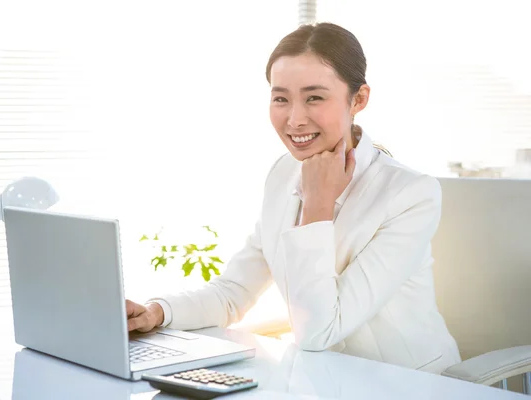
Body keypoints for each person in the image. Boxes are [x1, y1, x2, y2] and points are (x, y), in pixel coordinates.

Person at [125, 22, 461, 374]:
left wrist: (318, 204)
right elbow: (233, 291)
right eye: (281, 98)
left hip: (410, 384)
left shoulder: (410, 194)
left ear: (358, 99)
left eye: (314, 97)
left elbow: (318, 331)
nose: (295, 119)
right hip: (325, 380)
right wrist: (157, 312)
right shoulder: (283, 173)